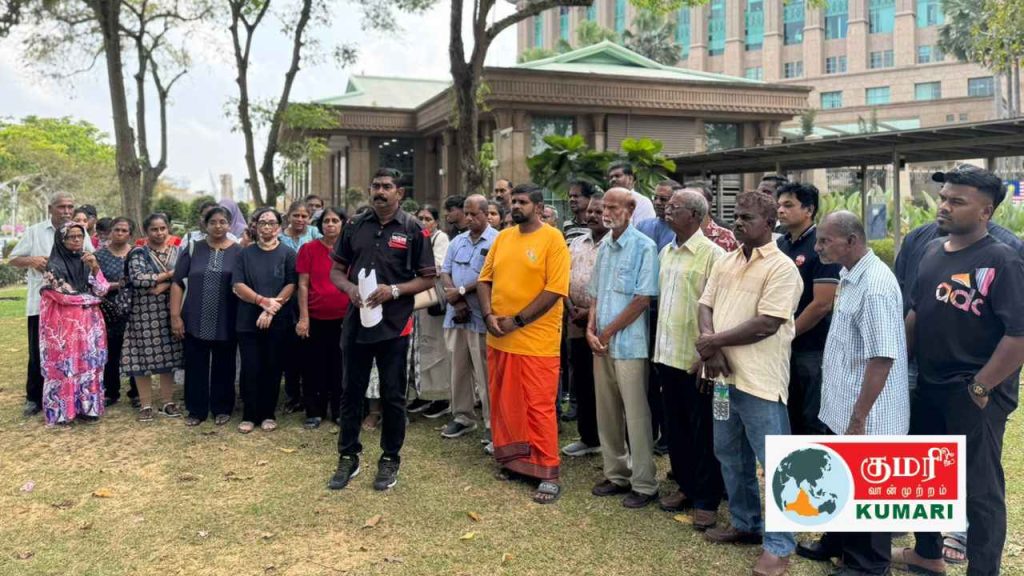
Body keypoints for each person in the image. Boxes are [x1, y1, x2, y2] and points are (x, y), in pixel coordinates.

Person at [894, 165, 1024, 576]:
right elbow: (916, 313)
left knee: (980, 493)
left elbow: (1019, 335)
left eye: (956, 201)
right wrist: (900, 367)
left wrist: (981, 387)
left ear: (985, 211)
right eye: (943, 198)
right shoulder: (932, 251)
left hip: (975, 395)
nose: (944, 206)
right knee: (925, 477)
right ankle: (927, 553)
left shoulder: (1003, 259)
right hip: (928, 386)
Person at [794, 211, 907, 576]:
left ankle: (869, 565)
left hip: (867, 412)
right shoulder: (849, 274)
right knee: (842, 479)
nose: (818, 247)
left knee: (867, 488)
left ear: (852, 241)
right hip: (842, 404)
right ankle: (837, 542)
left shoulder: (874, 287)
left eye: (825, 241)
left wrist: (859, 417)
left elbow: (882, 357)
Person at [696, 191, 801, 576]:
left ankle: (780, 546)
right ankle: (745, 524)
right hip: (724, 380)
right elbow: (705, 304)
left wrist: (712, 343)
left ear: (769, 224)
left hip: (760, 383)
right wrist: (711, 347)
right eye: (736, 216)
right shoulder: (726, 259)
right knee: (729, 452)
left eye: (747, 218)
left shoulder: (782, 268)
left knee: (775, 465)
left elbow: (767, 323)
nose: (738, 223)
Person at [327, 167, 436, 492]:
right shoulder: (354, 225)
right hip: (357, 324)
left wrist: (395, 291)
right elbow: (336, 270)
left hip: (394, 326)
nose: (380, 191)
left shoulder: (414, 229)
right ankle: (348, 456)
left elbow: (428, 278)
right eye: (376, 186)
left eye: (387, 186)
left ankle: (390, 458)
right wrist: (349, 289)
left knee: (392, 395)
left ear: (399, 193)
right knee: (351, 392)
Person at [478, 183, 570, 504]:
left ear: (539, 208)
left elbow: (555, 290)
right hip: (498, 338)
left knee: (538, 406)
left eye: (522, 202)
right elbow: (484, 280)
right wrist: (488, 315)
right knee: (505, 403)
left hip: (536, 341)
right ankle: (514, 462)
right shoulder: (503, 237)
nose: (515, 206)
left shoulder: (553, 239)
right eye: (513, 201)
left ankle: (548, 472)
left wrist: (516, 321)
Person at [653, 189, 726, 527]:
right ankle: (685, 486)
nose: (668, 210)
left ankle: (707, 498)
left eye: (675, 207)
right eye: (667, 206)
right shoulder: (666, 251)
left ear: (695, 216)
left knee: (704, 431)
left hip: (696, 359)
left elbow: (720, 309)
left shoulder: (713, 255)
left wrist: (706, 353)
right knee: (676, 428)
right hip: (667, 355)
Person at [586, 188, 660, 509]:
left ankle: (644, 483)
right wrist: (590, 329)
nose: (606, 212)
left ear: (630, 209)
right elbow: (595, 293)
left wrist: (606, 332)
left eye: (613, 207)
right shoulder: (604, 246)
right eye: (604, 207)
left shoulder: (645, 246)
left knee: (637, 415)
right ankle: (616, 474)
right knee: (607, 411)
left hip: (629, 345)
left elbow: (642, 299)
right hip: (601, 343)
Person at [11, 192, 95, 416]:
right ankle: (34, 398)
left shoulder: (79, 231)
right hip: (41, 305)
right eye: (61, 207)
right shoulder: (35, 231)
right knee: (38, 351)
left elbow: (91, 257)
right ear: (50, 208)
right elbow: (13, 258)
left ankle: (73, 397)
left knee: (71, 353)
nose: (66, 211)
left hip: (73, 308)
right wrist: (31, 260)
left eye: (70, 206)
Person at [775, 183, 840, 435]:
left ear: (809, 210)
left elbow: (822, 304)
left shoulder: (820, 245)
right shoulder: (780, 244)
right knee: (788, 415)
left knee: (813, 419)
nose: (781, 210)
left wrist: (788, 334)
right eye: (779, 205)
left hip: (812, 348)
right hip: (782, 347)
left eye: (788, 205)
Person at [170, 206, 241, 427]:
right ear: (205, 224)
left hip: (227, 318)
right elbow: (177, 283)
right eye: (213, 222)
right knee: (195, 365)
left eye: (223, 222)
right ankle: (196, 410)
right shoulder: (193, 248)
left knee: (225, 365)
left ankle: (222, 408)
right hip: (194, 318)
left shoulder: (239, 251)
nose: (218, 226)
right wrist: (175, 316)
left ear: (229, 225)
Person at [232, 207, 297, 434]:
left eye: (271, 223)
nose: (267, 227)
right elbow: (238, 285)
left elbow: (291, 284)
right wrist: (262, 302)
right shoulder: (244, 253)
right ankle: (249, 414)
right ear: (255, 226)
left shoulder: (288, 253)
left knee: (272, 366)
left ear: (279, 227)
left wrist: (270, 310)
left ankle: (268, 413)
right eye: (262, 222)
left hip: (278, 320)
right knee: (250, 367)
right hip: (248, 320)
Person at [38, 222, 109, 426]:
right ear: (61, 240)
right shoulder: (53, 266)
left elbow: (102, 289)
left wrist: (95, 267)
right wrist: (93, 299)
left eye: (80, 236)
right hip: (63, 327)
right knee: (65, 366)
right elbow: (64, 297)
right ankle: (61, 412)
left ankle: (88, 408)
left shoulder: (87, 260)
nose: (77, 240)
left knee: (89, 364)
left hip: (89, 325)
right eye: (71, 237)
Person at [439, 195, 497, 440]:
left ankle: (492, 423)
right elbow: (445, 272)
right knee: (458, 368)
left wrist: (461, 292)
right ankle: (463, 417)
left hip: (481, 316)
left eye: (474, 214)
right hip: (457, 315)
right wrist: (456, 299)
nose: (469, 218)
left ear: (486, 214)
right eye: (467, 213)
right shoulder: (457, 241)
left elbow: (492, 276)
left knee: (486, 373)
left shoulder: (498, 240)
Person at [122, 213, 184, 422]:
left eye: (163, 228)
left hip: (171, 310)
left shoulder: (177, 251)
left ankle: (167, 401)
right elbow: (138, 279)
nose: (159, 233)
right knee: (142, 358)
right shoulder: (138, 252)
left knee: (169, 357)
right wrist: (170, 275)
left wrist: (162, 285)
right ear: (146, 231)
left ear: (168, 229)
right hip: (143, 313)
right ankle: (146, 405)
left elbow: (186, 275)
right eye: (154, 229)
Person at [635, 179, 679, 456]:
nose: (660, 204)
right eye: (657, 198)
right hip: (644, 311)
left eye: (666, 199)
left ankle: (667, 436)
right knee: (648, 377)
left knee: (666, 378)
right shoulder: (644, 226)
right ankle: (649, 432)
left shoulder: (681, 231)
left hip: (670, 312)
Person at [561, 193, 606, 458]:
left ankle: (610, 438)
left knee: (606, 386)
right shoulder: (577, 243)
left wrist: (590, 312)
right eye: (590, 211)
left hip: (605, 325)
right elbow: (562, 279)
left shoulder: (615, 245)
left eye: (598, 211)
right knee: (583, 381)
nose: (592, 216)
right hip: (576, 322)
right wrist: (572, 309)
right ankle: (588, 437)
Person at [296, 207, 349, 429]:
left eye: (335, 220)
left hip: (344, 318)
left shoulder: (350, 250)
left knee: (340, 367)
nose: (330, 224)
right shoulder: (308, 249)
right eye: (326, 221)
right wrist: (304, 318)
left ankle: (338, 411)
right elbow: (303, 284)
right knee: (313, 366)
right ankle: (314, 412)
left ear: (342, 224)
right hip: (315, 318)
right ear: (320, 225)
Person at [403, 205, 452, 420]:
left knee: (436, 349)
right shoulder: (414, 237)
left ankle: (441, 399)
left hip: (432, 302)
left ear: (436, 222)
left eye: (428, 218)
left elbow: (438, 267)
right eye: (420, 218)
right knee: (418, 350)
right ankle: (422, 395)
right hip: (416, 301)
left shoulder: (441, 239)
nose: (423, 222)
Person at [278, 200, 321, 414]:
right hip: (285, 296)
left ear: (309, 218)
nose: (300, 219)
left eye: (304, 216)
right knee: (290, 350)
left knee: (309, 348)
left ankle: (311, 393)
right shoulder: (279, 237)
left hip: (309, 296)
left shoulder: (315, 235)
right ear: (288, 216)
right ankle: (293, 395)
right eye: (296, 215)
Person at [96, 217, 139, 408]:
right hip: (109, 310)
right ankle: (111, 391)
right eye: (116, 230)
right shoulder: (99, 256)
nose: (120, 233)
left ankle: (136, 392)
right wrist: (118, 285)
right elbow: (94, 284)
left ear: (130, 234)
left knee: (135, 350)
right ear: (110, 231)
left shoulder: (138, 254)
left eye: (124, 230)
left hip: (135, 309)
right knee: (111, 351)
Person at [686, 181, 739, 251]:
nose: (689, 205)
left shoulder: (725, 237)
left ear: (709, 204)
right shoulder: (676, 235)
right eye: (685, 201)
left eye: (695, 201)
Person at [563, 181, 595, 245]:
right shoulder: (567, 225)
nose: (572, 199)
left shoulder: (594, 225)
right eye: (570, 196)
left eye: (576, 196)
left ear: (589, 198)